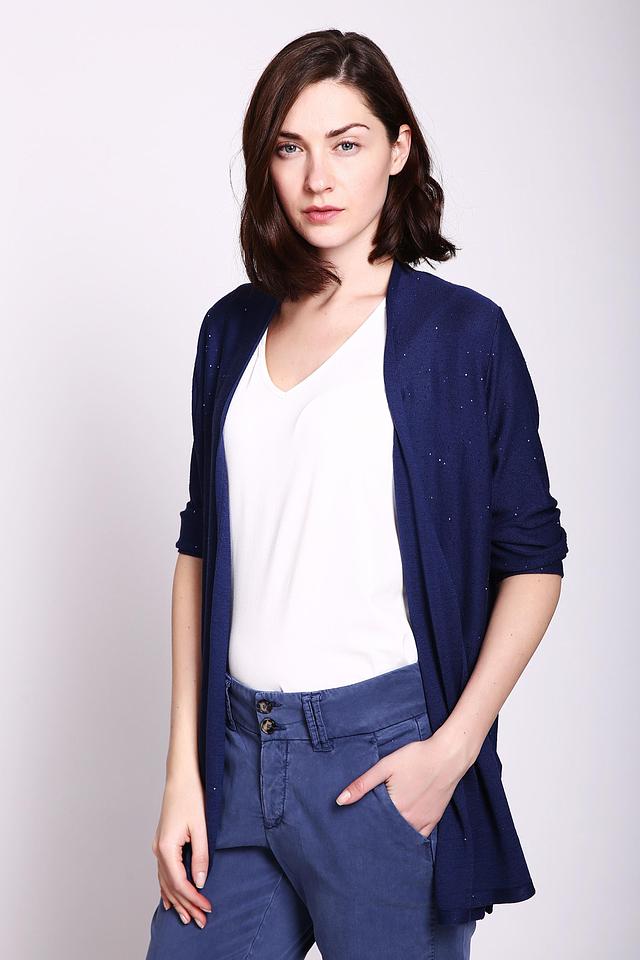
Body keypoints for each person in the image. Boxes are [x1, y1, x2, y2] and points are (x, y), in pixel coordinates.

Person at [145, 29, 568, 960]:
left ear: (399, 149)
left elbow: (535, 561)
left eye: (347, 143)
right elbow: (199, 551)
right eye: (289, 147)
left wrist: (451, 752)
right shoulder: (230, 331)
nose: (317, 178)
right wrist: (183, 771)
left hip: (381, 759)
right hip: (236, 756)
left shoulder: (462, 336)